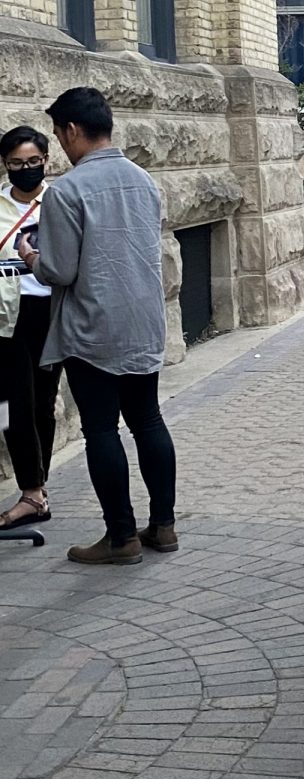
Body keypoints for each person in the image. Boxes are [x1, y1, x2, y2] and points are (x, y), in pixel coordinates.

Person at [17, 88, 177, 566]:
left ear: (70, 131)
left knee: (101, 428)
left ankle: (121, 536)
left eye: (58, 134)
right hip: (144, 321)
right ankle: (164, 526)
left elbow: (61, 271)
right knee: (147, 418)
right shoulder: (144, 180)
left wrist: (32, 257)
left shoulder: (68, 189)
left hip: (92, 326)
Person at [0, 126, 60, 532]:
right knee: (8, 406)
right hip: (5, 314)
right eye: (16, 164)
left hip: (49, 311)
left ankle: (36, 490)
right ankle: (32, 491)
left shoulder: (57, 203)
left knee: (41, 403)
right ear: (5, 166)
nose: (25, 170)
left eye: (32, 163)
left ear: (45, 161)